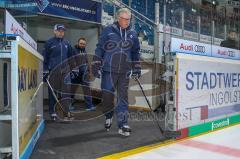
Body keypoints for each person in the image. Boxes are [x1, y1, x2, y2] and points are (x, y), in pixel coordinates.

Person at [93, 8, 141, 136]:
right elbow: (99, 48)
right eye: (124, 19)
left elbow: (136, 52)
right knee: (107, 96)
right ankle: (108, 115)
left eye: (128, 19)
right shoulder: (108, 30)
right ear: (118, 18)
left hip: (125, 71)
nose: (127, 21)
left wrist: (136, 68)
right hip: (109, 70)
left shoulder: (133, 33)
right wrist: (96, 63)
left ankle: (123, 124)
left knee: (122, 98)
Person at [43, 24, 74, 120]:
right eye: (59, 31)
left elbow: (71, 57)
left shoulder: (67, 43)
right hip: (53, 72)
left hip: (65, 72)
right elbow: (45, 58)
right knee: (53, 93)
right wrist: (45, 70)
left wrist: (73, 68)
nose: (61, 33)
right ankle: (52, 112)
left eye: (63, 31)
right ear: (54, 31)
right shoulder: (49, 43)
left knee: (66, 92)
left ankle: (66, 112)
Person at [71, 37, 95, 111]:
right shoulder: (73, 50)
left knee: (87, 90)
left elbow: (87, 62)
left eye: (84, 44)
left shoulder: (84, 51)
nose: (82, 45)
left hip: (84, 74)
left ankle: (89, 106)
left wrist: (90, 72)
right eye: (81, 43)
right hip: (76, 74)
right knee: (72, 90)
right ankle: (69, 105)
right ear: (78, 43)